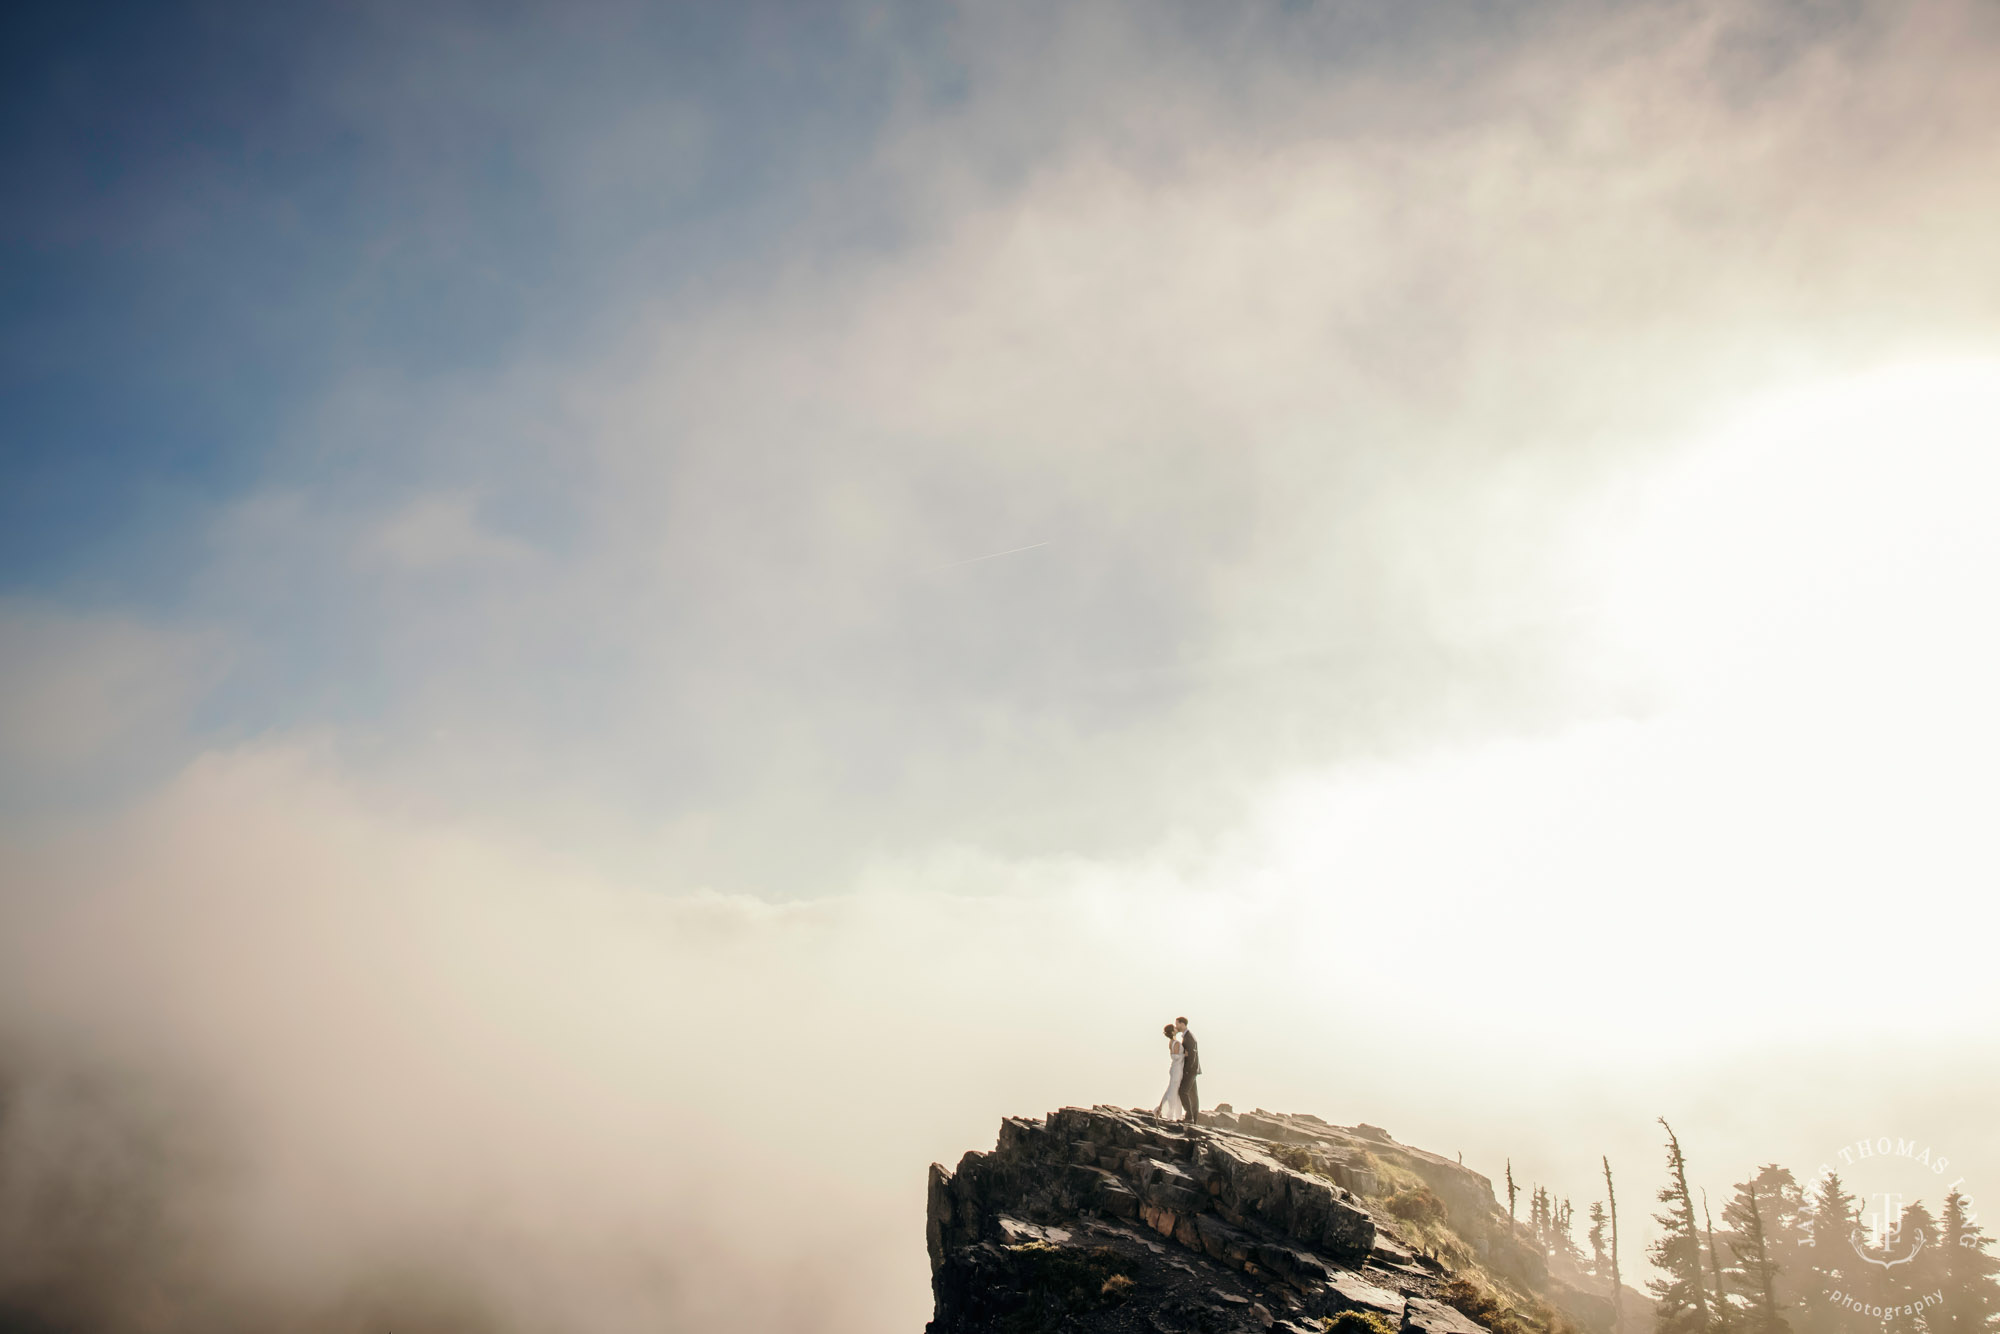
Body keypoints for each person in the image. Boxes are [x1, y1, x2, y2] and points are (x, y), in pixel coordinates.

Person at [1153, 1023, 1185, 1120]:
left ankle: (1161, 1109)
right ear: (1172, 1031)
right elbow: (1175, 1056)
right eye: (1175, 1028)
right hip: (1177, 1069)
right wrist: (1185, 1055)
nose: (1176, 1028)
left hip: (1176, 1068)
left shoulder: (1172, 1042)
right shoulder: (1175, 1043)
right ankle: (1170, 1114)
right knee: (1173, 1092)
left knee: (1171, 1090)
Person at [1174, 1017, 1200, 1125]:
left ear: (1182, 1024)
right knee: (1193, 1094)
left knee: (1183, 1091)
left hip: (1191, 1070)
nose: (1176, 1026)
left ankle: (1189, 1117)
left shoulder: (1189, 1037)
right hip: (1193, 1069)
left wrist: (1188, 1070)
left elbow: (1192, 1055)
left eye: (1177, 1024)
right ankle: (1193, 1119)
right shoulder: (1187, 1036)